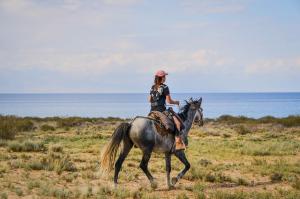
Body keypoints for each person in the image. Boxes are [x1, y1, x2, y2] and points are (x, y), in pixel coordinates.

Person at [148, 70, 186, 150]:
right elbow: (169, 101)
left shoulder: (153, 87)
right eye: (164, 76)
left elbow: (149, 100)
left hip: (152, 110)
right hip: (161, 111)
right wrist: (176, 102)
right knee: (177, 123)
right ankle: (178, 143)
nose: (165, 78)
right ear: (161, 78)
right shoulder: (165, 87)